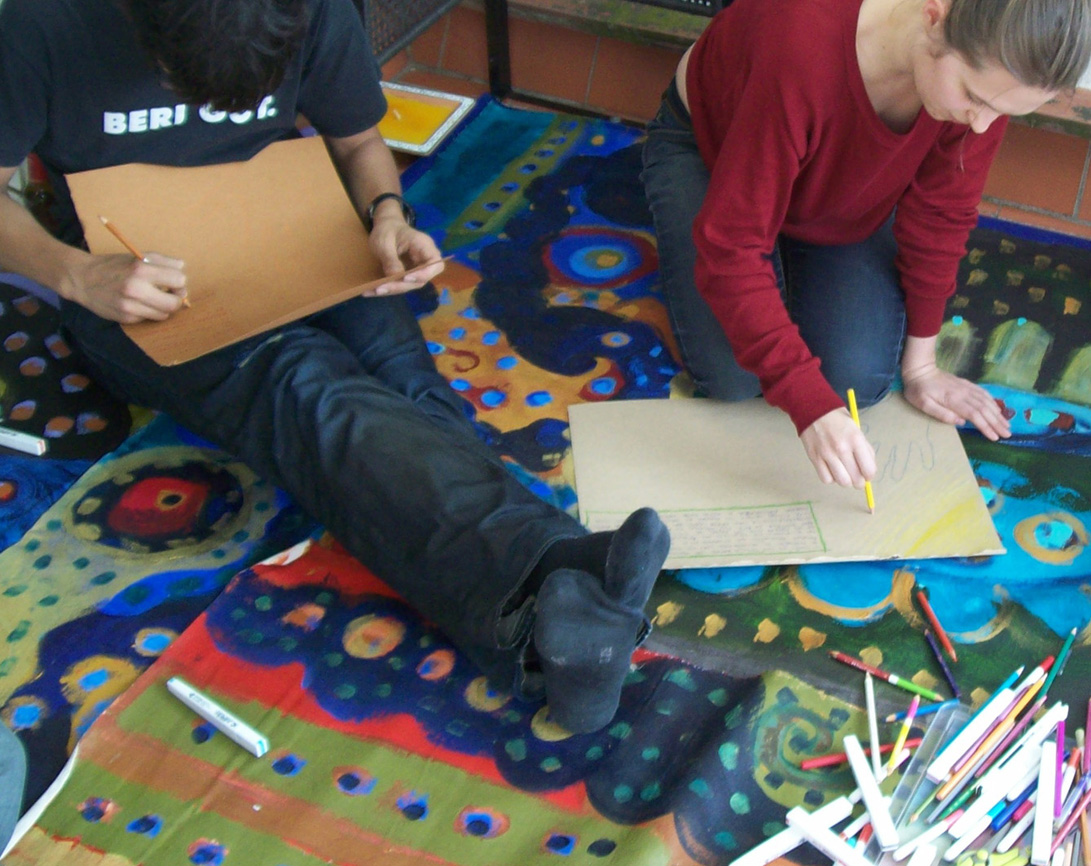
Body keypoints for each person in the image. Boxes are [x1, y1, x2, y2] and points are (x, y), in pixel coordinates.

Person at [0, 0, 670, 734]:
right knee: (304, 382)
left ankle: (553, 631)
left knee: (404, 385)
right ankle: (552, 575)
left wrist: (386, 213)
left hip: (288, 224)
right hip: (128, 276)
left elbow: (357, 143)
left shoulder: (307, 7)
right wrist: (76, 275)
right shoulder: (41, 22)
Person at [641, 0, 1091, 490]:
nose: (980, 124)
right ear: (934, 17)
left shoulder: (987, 79)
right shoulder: (797, 46)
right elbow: (731, 249)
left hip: (835, 181)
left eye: (1001, 112)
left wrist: (922, 368)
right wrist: (808, 405)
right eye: (974, 97)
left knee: (855, 377)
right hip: (711, 148)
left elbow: (941, 214)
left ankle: (790, 234)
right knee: (732, 378)